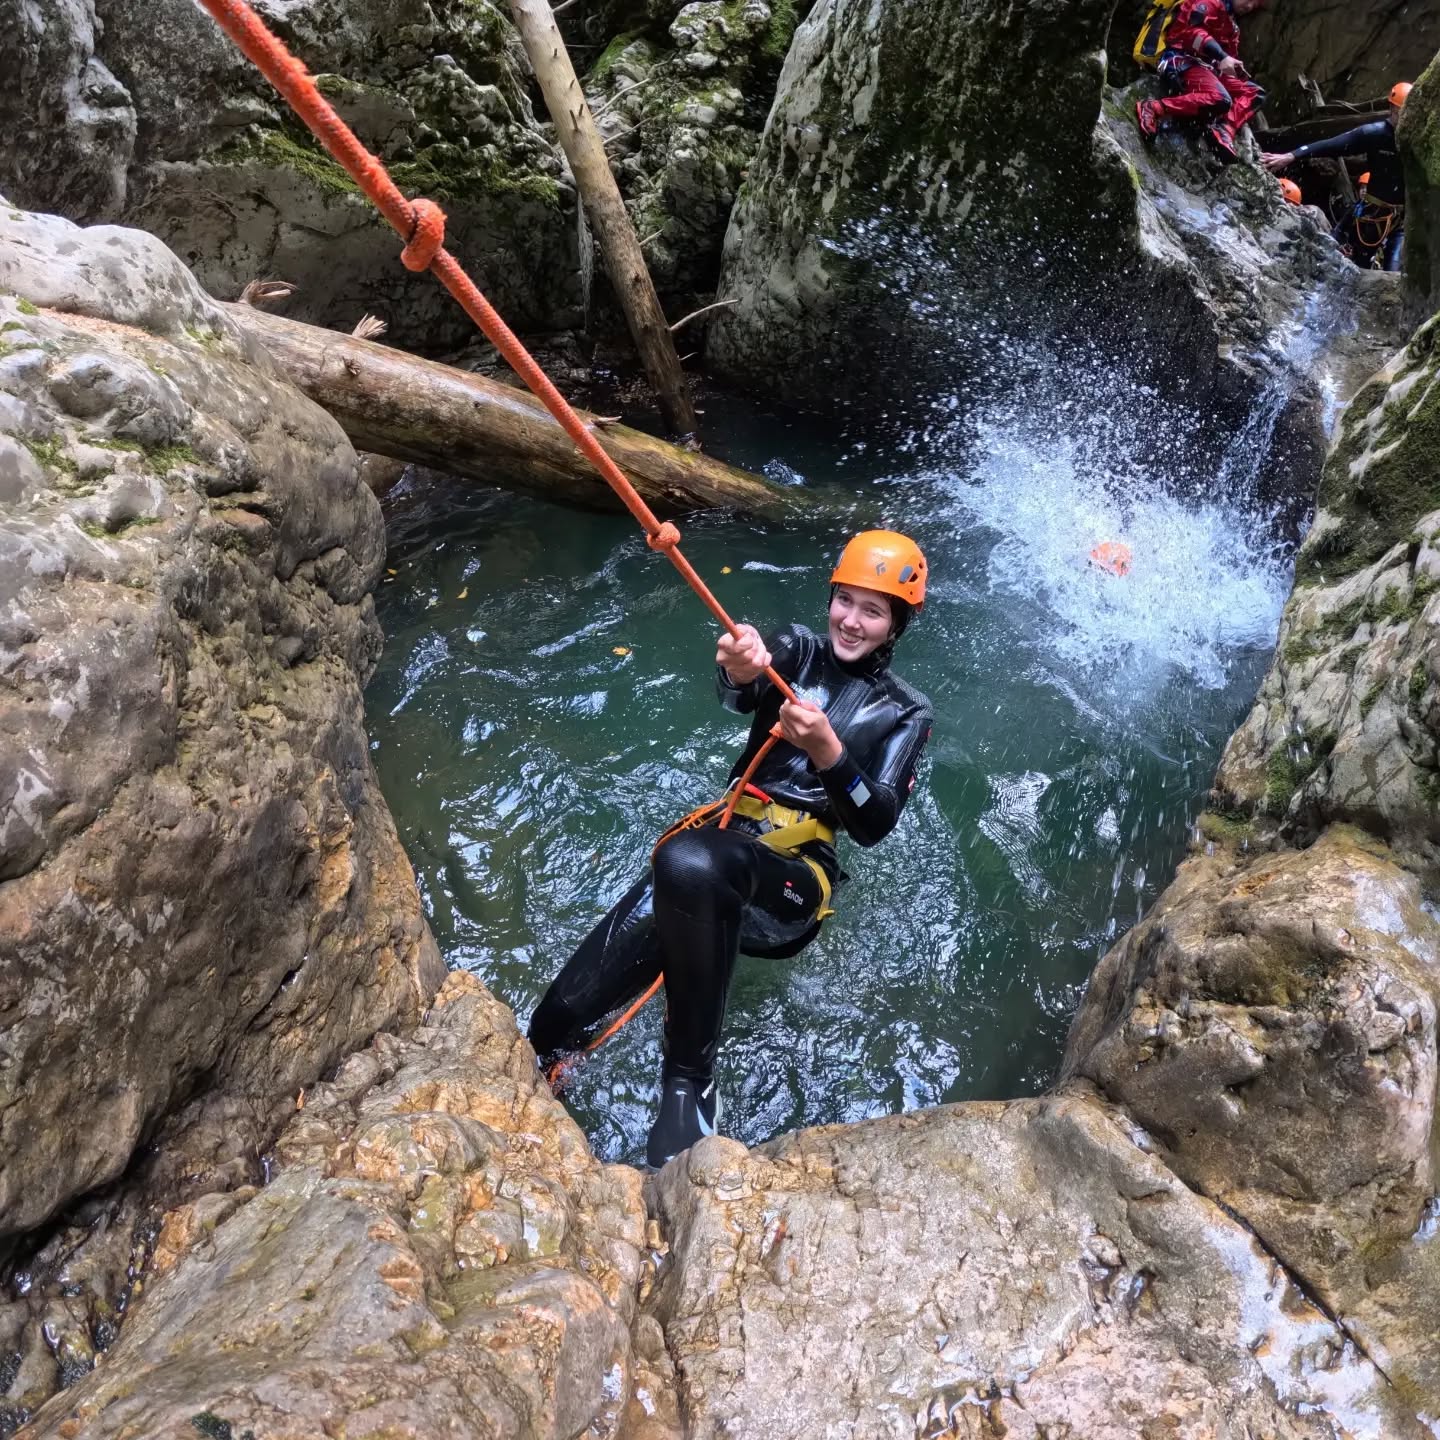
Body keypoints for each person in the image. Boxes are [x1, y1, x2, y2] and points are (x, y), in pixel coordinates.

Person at [527, 530, 934, 1168]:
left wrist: (829, 751)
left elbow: (875, 822)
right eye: (844, 601)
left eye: (872, 610)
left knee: (686, 860)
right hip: (719, 849)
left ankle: (690, 1084)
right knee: (551, 1026)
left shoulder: (907, 712)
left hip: (792, 881)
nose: (851, 621)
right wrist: (737, 666)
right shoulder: (795, 650)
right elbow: (743, 680)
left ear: (897, 623)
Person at [1261, 83, 1412, 272]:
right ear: (1391, 108)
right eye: (1401, 112)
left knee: (1395, 272)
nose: (1405, 118)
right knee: (1361, 267)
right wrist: (1292, 155)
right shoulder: (1374, 134)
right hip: (1372, 216)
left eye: (1409, 113)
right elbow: (1332, 144)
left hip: (1402, 219)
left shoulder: (1415, 140)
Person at [1135, 0, 1268, 162]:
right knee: (1220, 98)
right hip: (1181, 59)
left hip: (1209, 70)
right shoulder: (1209, 3)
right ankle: (1154, 108)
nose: (1249, 6)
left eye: (1255, 5)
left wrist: (1234, 70)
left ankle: (1225, 129)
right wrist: (1222, 56)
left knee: (1255, 93)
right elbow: (1192, 33)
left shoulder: (1233, 28)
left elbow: (1228, 60)